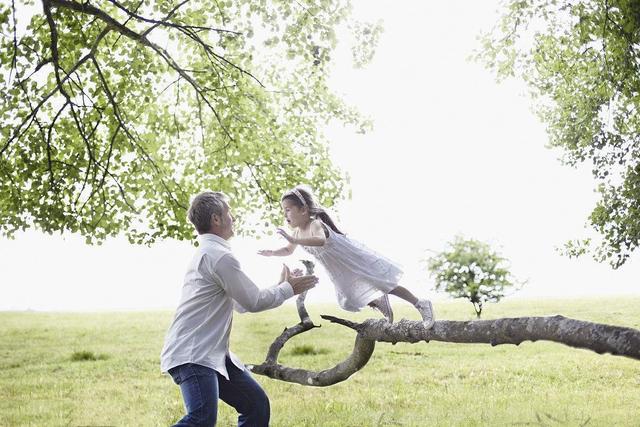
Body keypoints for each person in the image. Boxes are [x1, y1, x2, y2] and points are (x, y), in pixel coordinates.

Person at [161, 191, 318, 427]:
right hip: (193, 355)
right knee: (201, 419)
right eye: (228, 213)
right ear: (216, 219)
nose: (232, 218)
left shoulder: (213, 254)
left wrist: (281, 287)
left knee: (256, 405)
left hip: (213, 355)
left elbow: (242, 302)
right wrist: (288, 288)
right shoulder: (217, 256)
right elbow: (253, 302)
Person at [258, 185, 435, 327]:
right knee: (348, 301)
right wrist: (273, 252)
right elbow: (289, 250)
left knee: (385, 283)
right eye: (284, 211)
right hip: (339, 271)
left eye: (288, 210)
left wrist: (290, 237)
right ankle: (378, 302)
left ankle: (420, 303)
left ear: (303, 209)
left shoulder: (315, 224)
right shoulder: (297, 232)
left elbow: (320, 240)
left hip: (353, 259)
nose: (285, 214)